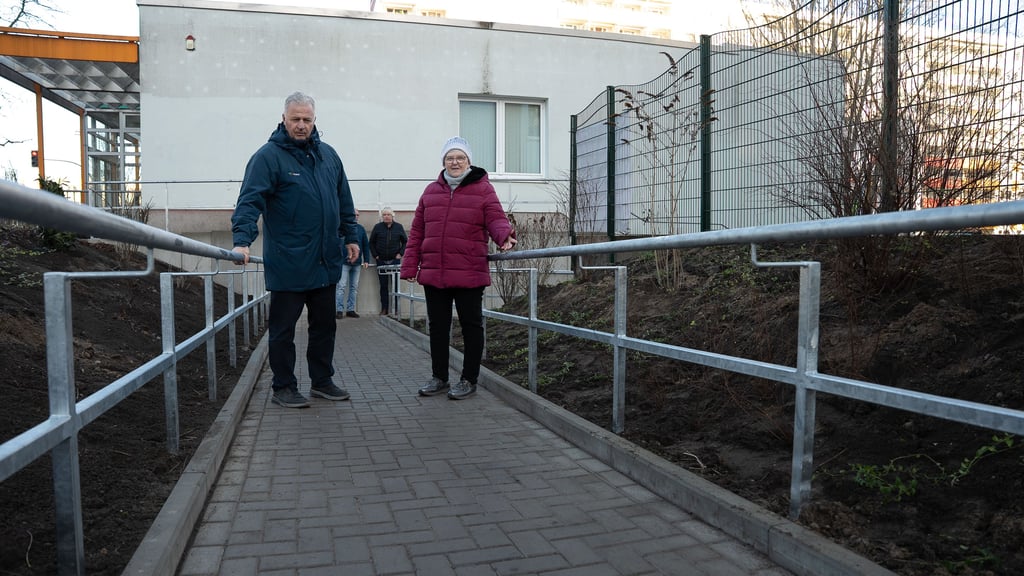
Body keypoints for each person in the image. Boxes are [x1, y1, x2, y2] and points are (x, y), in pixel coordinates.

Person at [231, 91, 359, 409]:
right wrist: (242, 240)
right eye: (295, 119)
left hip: (325, 260)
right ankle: (284, 386)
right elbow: (249, 200)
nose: (301, 125)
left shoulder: (328, 156)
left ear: (315, 120)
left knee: (324, 327)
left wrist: (351, 236)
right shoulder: (268, 157)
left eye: (307, 119)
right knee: (283, 330)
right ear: (283, 119)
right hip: (288, 261)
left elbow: (344, 200)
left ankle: (322, 381)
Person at [400, 136, 516, 400]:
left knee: (471, 327)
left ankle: (468, 379)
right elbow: (417, 231)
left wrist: (504, 235)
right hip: (435, 272)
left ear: (468, 161)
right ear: (443, 162)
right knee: (438, 328)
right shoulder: (431, 192)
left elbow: (496, 218)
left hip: (468, 270)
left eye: (460, 158)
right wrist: (410, 266)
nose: (455, 162)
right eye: (450, 158)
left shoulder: (483, 189)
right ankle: (439, 377)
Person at [369, 207, 407, 315]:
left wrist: (400, 253)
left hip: (394, 261)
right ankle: (384, 308)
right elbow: (371, 242)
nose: (386, 216)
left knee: (395, 286)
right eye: (384, 215)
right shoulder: (377, 227)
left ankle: (396, 310)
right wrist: (375, 255)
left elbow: (405, 241)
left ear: (392, 216)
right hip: (381, 261)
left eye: (388, 214)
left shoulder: (399, 227)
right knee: (383, 286)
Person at [336, 209, 371, 318]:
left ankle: (350, 309)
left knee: (354, 287)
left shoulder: (361, 229)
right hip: (344, 262)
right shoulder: (341, 228)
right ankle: (339, 310)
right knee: (341, 286)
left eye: (357, 215)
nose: (356, 216)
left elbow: (365, 245)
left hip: (357, 263)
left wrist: (366, 260)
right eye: (354, 214)